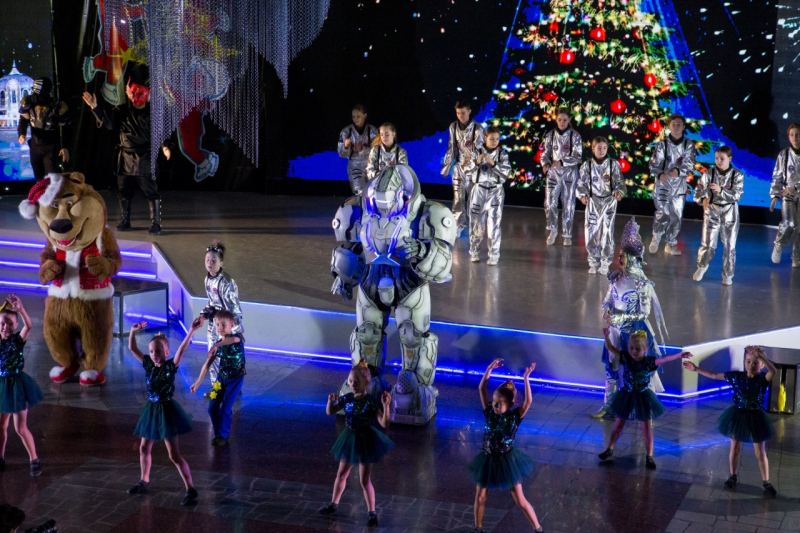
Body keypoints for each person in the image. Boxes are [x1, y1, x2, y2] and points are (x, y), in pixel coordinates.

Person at [591, 218, 668, 419]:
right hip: (615, 332)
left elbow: (644, 313)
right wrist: (606, 312)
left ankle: (641, 408)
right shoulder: (616, 278)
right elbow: (607, 301)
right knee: (611, 370)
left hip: (633, 333)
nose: (619, 258)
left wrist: (621, 318)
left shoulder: (642, 284)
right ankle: (608, 406)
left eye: (622, 255)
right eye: (619, 255)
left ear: (633, 258)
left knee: (638, 372)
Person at [82, 64, 167, 235]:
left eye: (140, 93)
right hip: (125, 156)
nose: (136, 97)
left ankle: (156, 223)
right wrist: (95, 108)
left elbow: (161, 133)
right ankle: (125, 220)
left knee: (150, 191)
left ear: (149, 94)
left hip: (144, 156)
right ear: (129, 92)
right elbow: (109, 124)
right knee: (124, 191)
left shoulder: (154, 113)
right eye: (133, 93)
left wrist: (165, 147)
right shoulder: (122, 111)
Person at [684, 347, 777, 496]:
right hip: (738, 415)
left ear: (762, 365)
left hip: (756, 417)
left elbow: (773, 371)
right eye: (748, 361)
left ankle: (766, 481)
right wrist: (696, 369)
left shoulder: (762, 379)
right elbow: (714, 375)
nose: (751, 365)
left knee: (760, 452)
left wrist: (761, 357)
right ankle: (732, 476)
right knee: (735, 449)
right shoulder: (737, 377)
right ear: (744, 361)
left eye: (755, 363)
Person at [598, 329, 692, 469]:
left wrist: (679, 355)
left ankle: (649, 456)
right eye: (631, 348)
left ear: (645, 349)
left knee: (646, 429)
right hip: (627, 394)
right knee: (618, 425)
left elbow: (664, 360)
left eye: (637, 349)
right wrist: (607, 337)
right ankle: (609, 448)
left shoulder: (648, 362)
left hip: (643, 396)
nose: (634, 351)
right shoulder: (626, 357)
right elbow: (610, 347)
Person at [126, 321, 198, 506]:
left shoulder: (170, 367)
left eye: (158, 351)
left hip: (166, 411)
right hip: (151, 410)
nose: (154, 355)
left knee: (173, 454)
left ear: (166, 352)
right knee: (144, 448)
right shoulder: (149, 365)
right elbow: (132, 348)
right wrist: (133, 331)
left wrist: (191, 331)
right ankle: (144, 480)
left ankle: (190, 488)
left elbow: (181, 350)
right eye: (151, 351)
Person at [467, 359, 542, 533]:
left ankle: (538, 528)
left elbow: (528, 402)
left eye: (499, 403)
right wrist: (488, 369)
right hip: (487, 458)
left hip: (508, 461)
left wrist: (526, 379)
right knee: (480, 497)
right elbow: (481, 388)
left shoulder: (515, 417)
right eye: (494, 401)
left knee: (520, 500)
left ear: (510, 404)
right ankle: (478, 528)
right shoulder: (489, 412)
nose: (494, 405)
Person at [318, 361, 393, 528]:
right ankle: (333, 504)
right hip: (350, 438)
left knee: (364, 480)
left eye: (356, 382)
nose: (352, 385)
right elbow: (330, 412)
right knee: (341, 474)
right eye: (350, 381)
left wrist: (386, 406)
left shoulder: (371, 402)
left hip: (366, 440)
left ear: (366, 382)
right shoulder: (347, 398)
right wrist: (330, 402)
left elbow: (384, 423)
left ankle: (372, 512)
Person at [0, 296, 44, 477]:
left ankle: (34, 459)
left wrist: (22, 310)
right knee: (1, 425)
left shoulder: (17, 340)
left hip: (17, 386)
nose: (5, 327)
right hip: (2, 386)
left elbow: (29, 326)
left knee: (20, 428)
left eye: (10, 324)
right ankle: (0, 458)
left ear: (16, 325)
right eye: (2, 323)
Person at [190, 310, 245, 446]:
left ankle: (223, 435)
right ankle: (218, 434)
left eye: (223, 324)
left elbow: (233, 340)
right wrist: (198, 382)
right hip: (221, 379)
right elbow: (207, 364)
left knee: (226, 408)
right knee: (212, 408)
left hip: (235, 380)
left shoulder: (236, 339)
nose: (220, 327)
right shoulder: (218, 345)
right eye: (217, 324)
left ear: (232, 325)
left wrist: (217, 345)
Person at [693, 146, 744, 285]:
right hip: (712, 210)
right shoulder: (708, 173)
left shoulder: (737, 175)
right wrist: (702, 199)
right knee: (707, 244)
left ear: (729, 158)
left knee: (729, 246)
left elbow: (737, 195)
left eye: (722, 158)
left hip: (729, 212)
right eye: (716, 158)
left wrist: (721, 190)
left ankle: (728, 274)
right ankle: (702, 266)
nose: (719, 161)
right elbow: (698, 190)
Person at [199, 240, 244, 399]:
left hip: (226, 328)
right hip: (214, 325)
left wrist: (235, 332)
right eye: (207, 260)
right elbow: (212, 303)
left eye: (213, 260)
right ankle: (216, 387)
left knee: (229, 360)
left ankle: (233, 390)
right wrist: (204, 315)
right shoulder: (207, 280)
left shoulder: (226, 283)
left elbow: (234, 309)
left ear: (221, 263)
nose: (209, 263)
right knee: (212, 356)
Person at [648, 114, 697, 256]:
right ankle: (656, 237)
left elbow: (690, 163)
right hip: (663, 184)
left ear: (683, 127)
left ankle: (670, 243)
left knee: (676, 215)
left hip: (679, 186)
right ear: (669, 126)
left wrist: (680, 171)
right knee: (663, 212)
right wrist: (659, 174)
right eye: (673, 124)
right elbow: (654, 163)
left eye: (679, 124)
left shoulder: (688, 145)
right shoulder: (662, 144)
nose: (676, 127)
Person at [576, 136, 626, 275]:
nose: (602, 150)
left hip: (609, 201)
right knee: (591, 232)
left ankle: (605, 262)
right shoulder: (587, 165)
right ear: (593, 148)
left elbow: (619, 181)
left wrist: (619, 192)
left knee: (608, 232)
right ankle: (593, 261)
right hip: (593, 201)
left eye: (604, 148)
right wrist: (583, 195)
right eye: (599, 148)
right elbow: (581, 183)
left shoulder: (613, 164)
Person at [467, 126, 510, 265]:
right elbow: (466, 170)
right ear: (485, 138)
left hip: (495, 192)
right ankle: (474, 251)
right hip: (479, 191)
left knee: (494, 225)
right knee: (476, 223)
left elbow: (506, 173)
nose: (494, 141)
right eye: (492, 139)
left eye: (497, 139)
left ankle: (494, 254)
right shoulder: (476, 153)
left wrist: (494, 164)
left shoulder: (502, 155)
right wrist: (476, 163)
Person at [441, 100, 485, 235]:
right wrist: (447, 167)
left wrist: (471, 164)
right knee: (458, 199)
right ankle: (458, 225)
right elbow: (451, 147)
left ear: (469, 112)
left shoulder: (477, 128)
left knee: (474, 199)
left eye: (463, 113)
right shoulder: (453, 126)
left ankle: (475, 225)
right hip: (459, 168)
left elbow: (479, 150)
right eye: (458, 113)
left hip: (473, 169)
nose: (461, 116)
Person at [540, 108, 582, 246]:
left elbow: (577, 156)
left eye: (565, 120)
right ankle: (553, 229)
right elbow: (545, 153)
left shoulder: (575, 136)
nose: (562, 122)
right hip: (553, 173)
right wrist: (545, 163)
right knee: (549, 202)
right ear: (556, 119)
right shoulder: (550, 135)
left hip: (569, 173)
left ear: (569, 120)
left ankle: (567, 234)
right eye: (559, 120)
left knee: (568, 203)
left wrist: (562, 162)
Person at [17, 77, 70, 180]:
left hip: (51, 146)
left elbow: (65, 128)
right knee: (39, 177)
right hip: (35, 145)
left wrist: (64, 146)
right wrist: (21, 133)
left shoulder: (58, 106)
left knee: (51, 179)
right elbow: (23, 119)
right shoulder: (29, 102)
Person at [769, 123, 800, 267]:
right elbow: (777, 176)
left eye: (797, 134)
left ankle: (796, 256)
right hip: (788, 194)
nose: (795, 137)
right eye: (792, 135)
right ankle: (779, 244)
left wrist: (796, 187)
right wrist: (775, 195)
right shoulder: (784, 155)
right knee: (789, 223)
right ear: (788, 137)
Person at [338, 104, 379, 195]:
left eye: (358, 116)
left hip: (371, 166)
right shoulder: (346, 132)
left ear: (365, 115)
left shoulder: (373, 131)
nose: (355, 119)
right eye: (353, 117)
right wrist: (345, 146)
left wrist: (362, 149)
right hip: (355, 167)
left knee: (374, 193)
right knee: (361, 193)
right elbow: (341, 154)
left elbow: (378, 152)